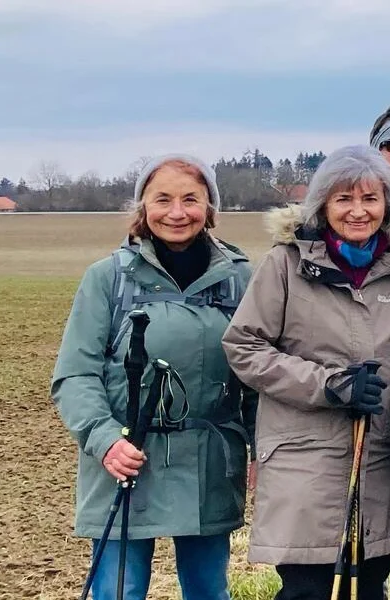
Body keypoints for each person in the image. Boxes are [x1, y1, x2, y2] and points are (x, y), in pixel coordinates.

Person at [51, 154, 255, 600]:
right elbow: (74, 374)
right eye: (162, 199)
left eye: (191, 199)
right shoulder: (108, 279)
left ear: (210, 208)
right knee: (119, 592)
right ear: (143, 206)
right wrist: (105, 440)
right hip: (126, 460)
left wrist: (264, 447)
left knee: (208, 592)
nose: (177, 212)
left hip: (209, 464)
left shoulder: (240, 280)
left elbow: (257, 376)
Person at [222, 146, 390, 600]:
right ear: (322, 205)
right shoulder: (285, 265)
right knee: (307, 590)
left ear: (387, 205)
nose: (357, 211)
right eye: (343, 199)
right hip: (304, 460)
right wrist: (329, 385)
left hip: (376, 457)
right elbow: (244, 345)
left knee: (369, 585)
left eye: (369, 199)